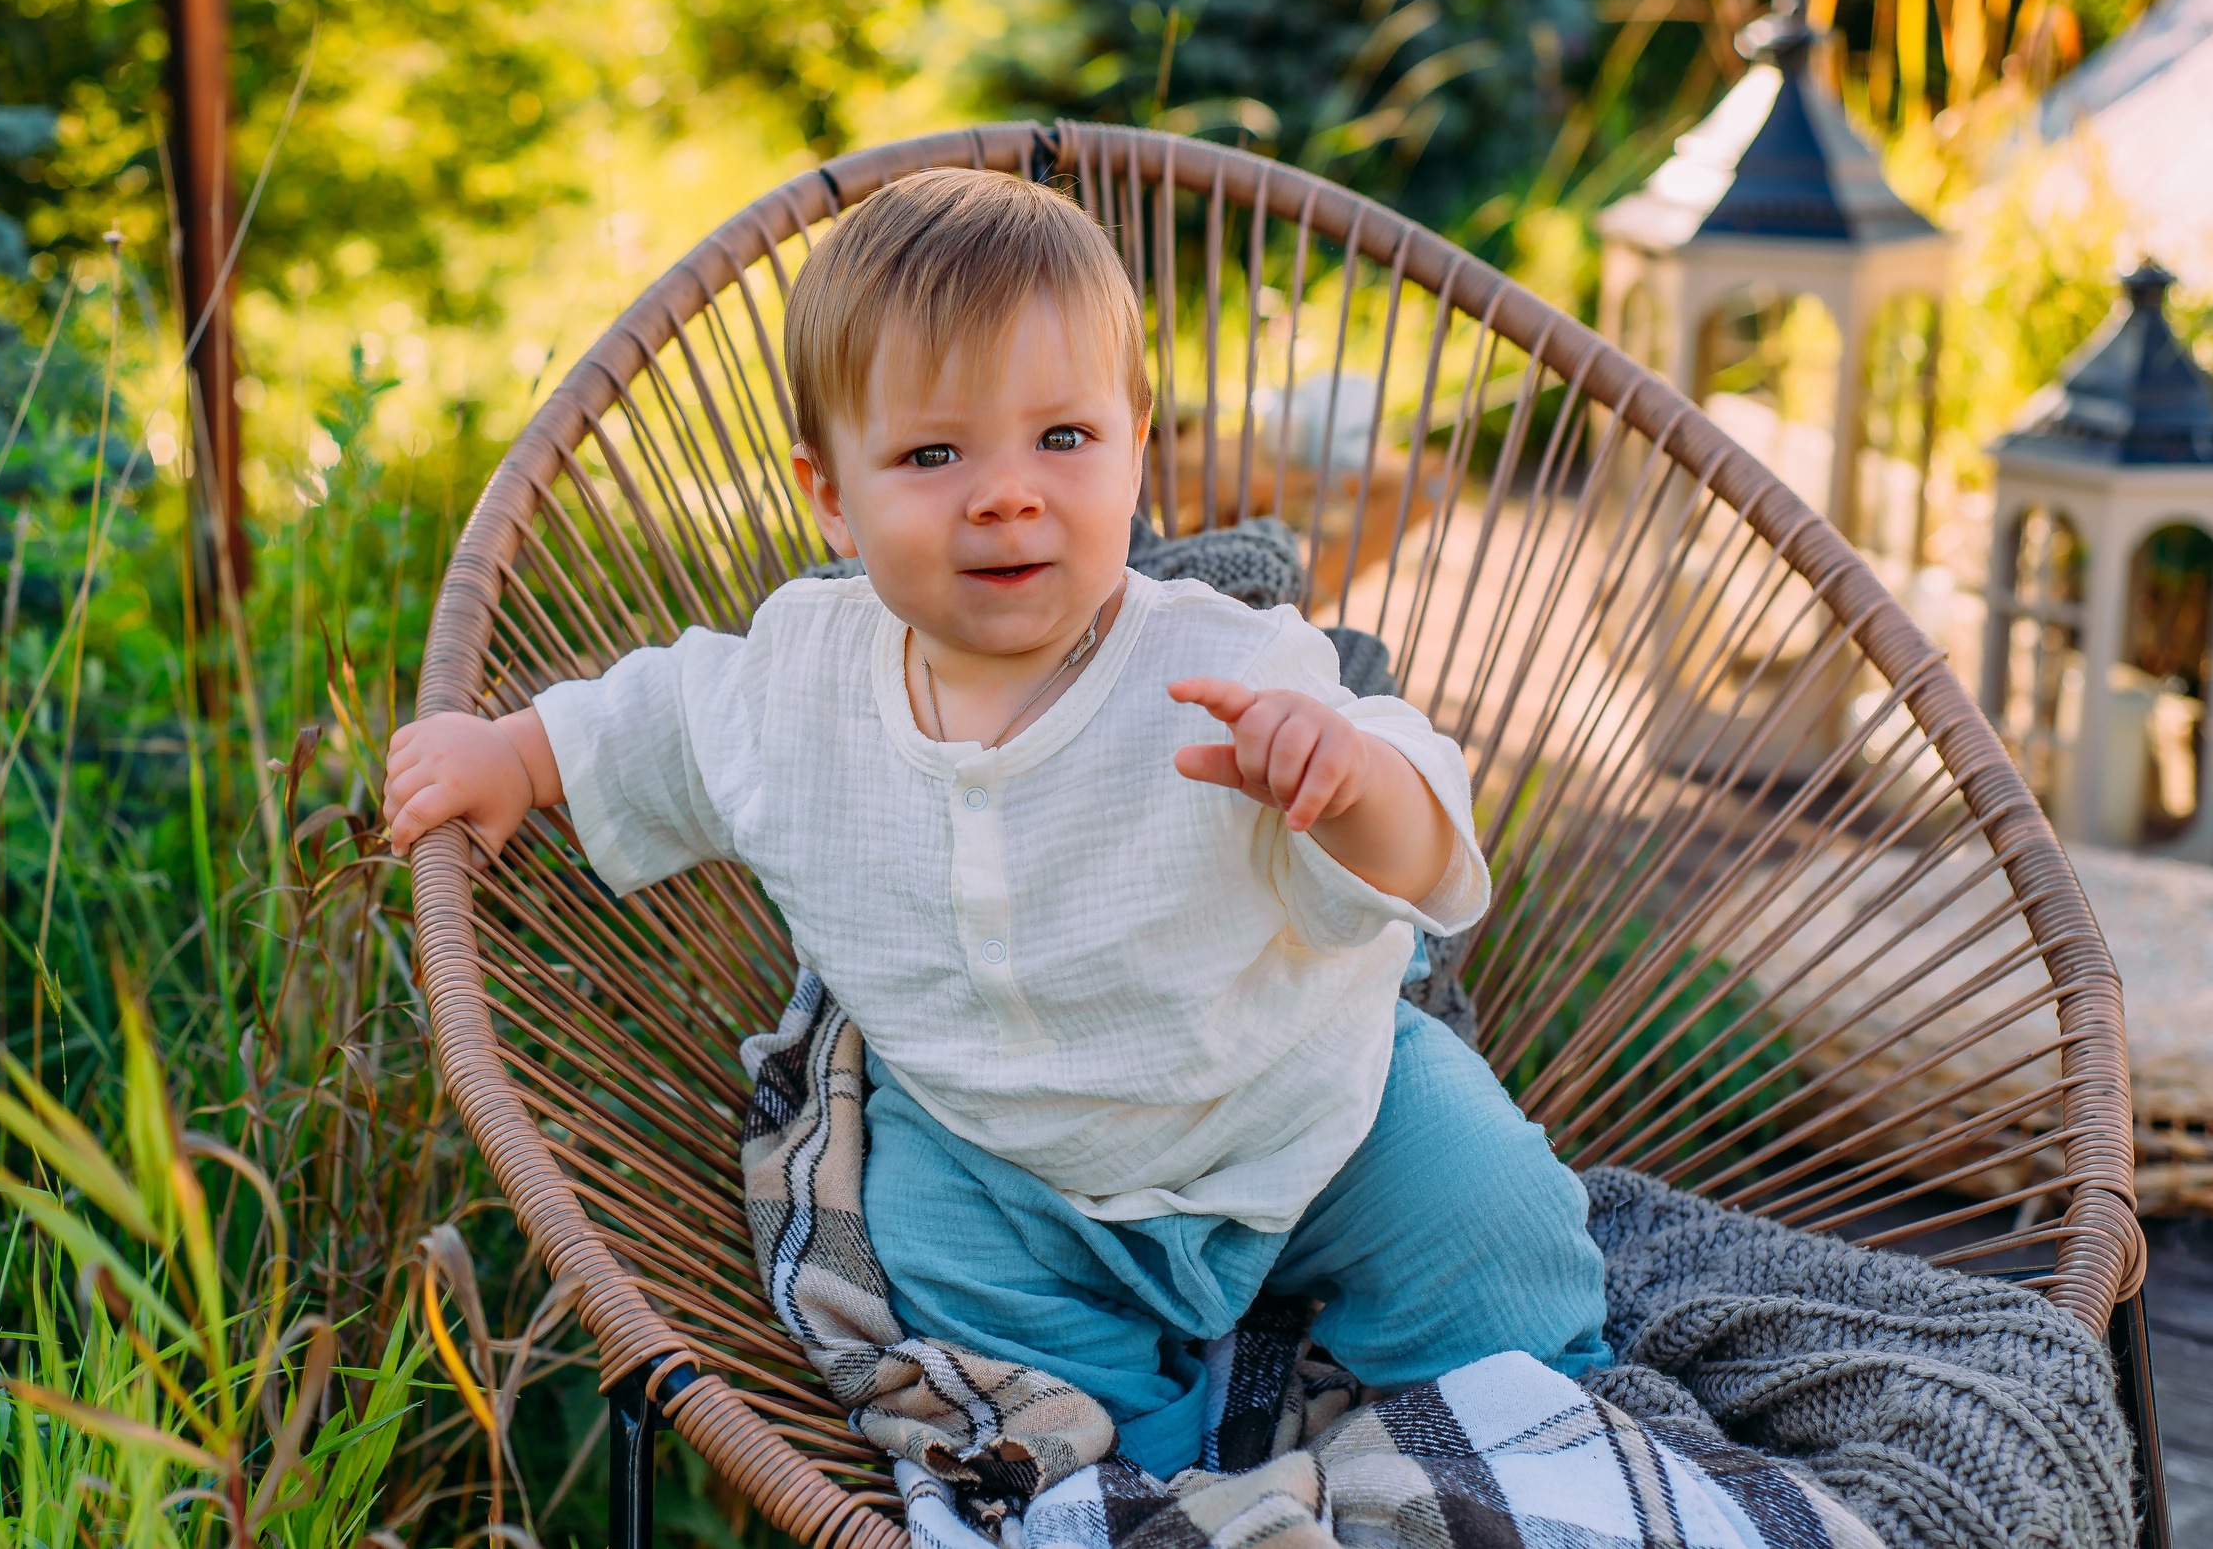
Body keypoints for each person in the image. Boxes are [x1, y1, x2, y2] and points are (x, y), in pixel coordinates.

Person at [385, 168, 1609, 1478]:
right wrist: (517, 753)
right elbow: (660, 722)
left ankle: (1536, 1433)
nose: (1006, 494)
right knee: (938, 1265)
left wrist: (1351, 780)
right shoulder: (795, 680)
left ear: (1136, 442)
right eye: (933, 454)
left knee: (1492, 1210)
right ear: (833, 495)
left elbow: (1425, 834)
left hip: (1301, 1107)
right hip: (1005, 1164)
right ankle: (1140, 1468)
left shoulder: (1226, 663)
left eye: (1063, 440)